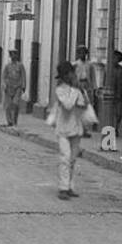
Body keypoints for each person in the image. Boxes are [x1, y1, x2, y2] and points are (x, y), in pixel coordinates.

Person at [49, 61, 89, 199]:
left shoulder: (77, 90)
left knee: (72, 159)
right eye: (70, 73)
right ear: (66, 75)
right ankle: (63, 188)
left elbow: (85, 105)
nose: (73, 75)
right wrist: (75, 91)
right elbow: (67, 105)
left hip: (76, 127)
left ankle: (70, 186)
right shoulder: (60, 89)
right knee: (65, 157)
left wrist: (82, 92)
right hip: (63, 129)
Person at [74, 47, 97, 136]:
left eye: (84, 53)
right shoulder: (75, 64)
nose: (82, 55)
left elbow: (93, 77)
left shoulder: (90, 65)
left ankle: (84, 129)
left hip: (87, 86)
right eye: (80, 53)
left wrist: (94, 88)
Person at [2, 49, 27, 129]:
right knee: (8, 105)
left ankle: (14, 120)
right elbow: (4, 76)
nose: (13, 56)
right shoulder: (7, 66)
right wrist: (4, 85)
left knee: (15, 104)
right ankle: (9, 121)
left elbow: (23, 76)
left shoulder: (20, 65)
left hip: (17, 87)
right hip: (9, 87)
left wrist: (23, 86)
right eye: (11, 55)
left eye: (14, 55)